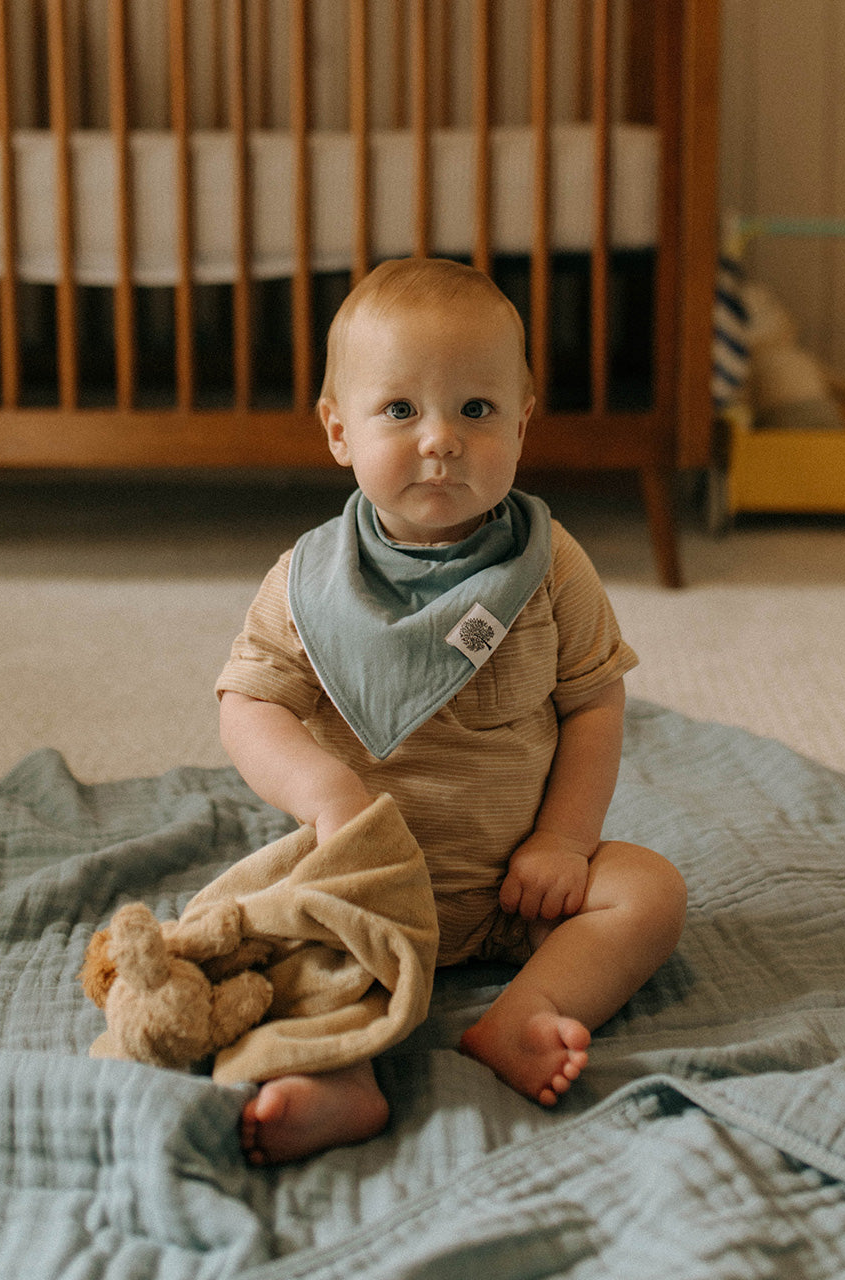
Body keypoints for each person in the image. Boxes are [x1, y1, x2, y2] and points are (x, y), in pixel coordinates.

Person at [216, 257, 686, 1165]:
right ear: (337, 430)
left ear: (522, 420)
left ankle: (527, 1011)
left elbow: (594, 705)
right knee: (288, 944)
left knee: (648, 892)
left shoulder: (550, 568)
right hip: (367, 885)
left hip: (514, 887)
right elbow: (249, 705)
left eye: (475, 410)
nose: (441, 439)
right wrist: (326, 796)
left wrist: (562, 841)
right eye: (400, 411)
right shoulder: (309, 585)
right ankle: (341, 1082)